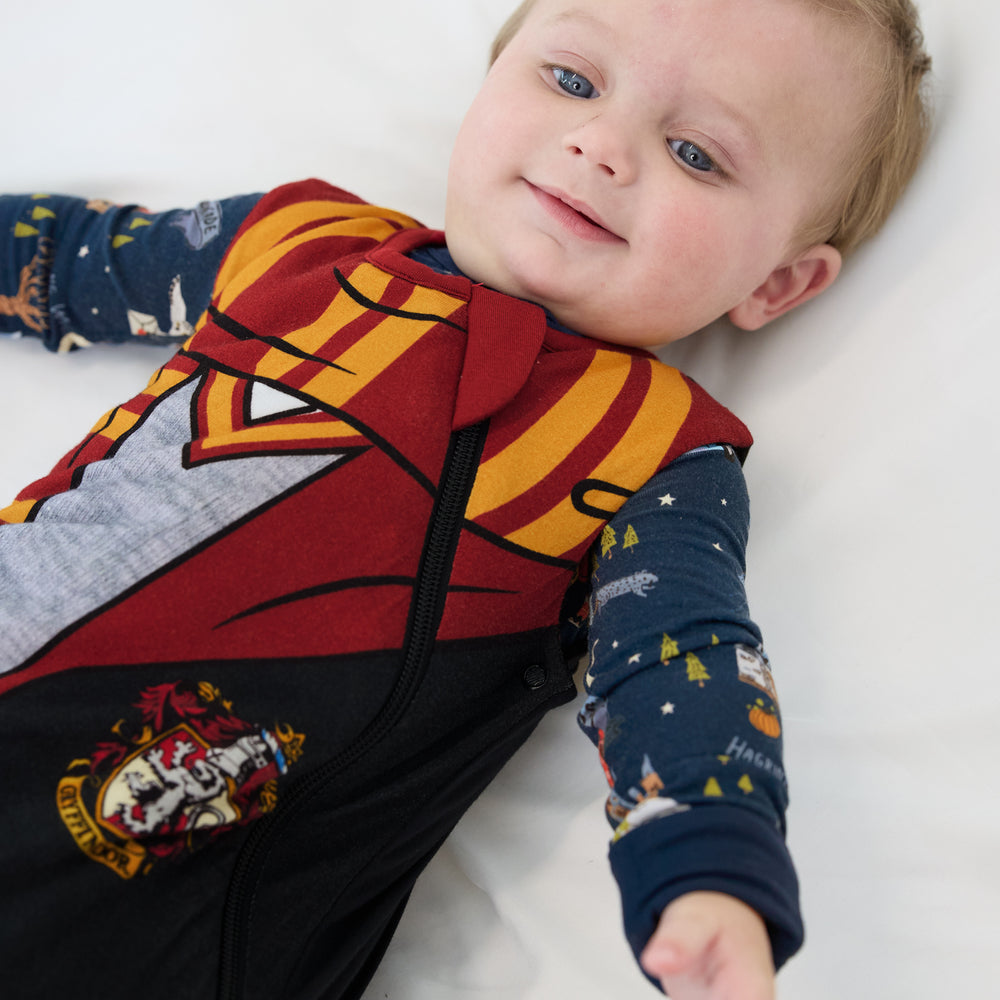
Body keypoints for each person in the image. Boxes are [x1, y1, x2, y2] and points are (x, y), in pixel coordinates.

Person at [0, 1, 931, 997]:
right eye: (572, 81)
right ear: (493, 76)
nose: (600, 145)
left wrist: (708, 871)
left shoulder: (648, 445)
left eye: (696, 153)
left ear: (778, 283)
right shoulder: (297, 241)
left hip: (143, 910)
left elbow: (682, 656)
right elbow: (65, 260)